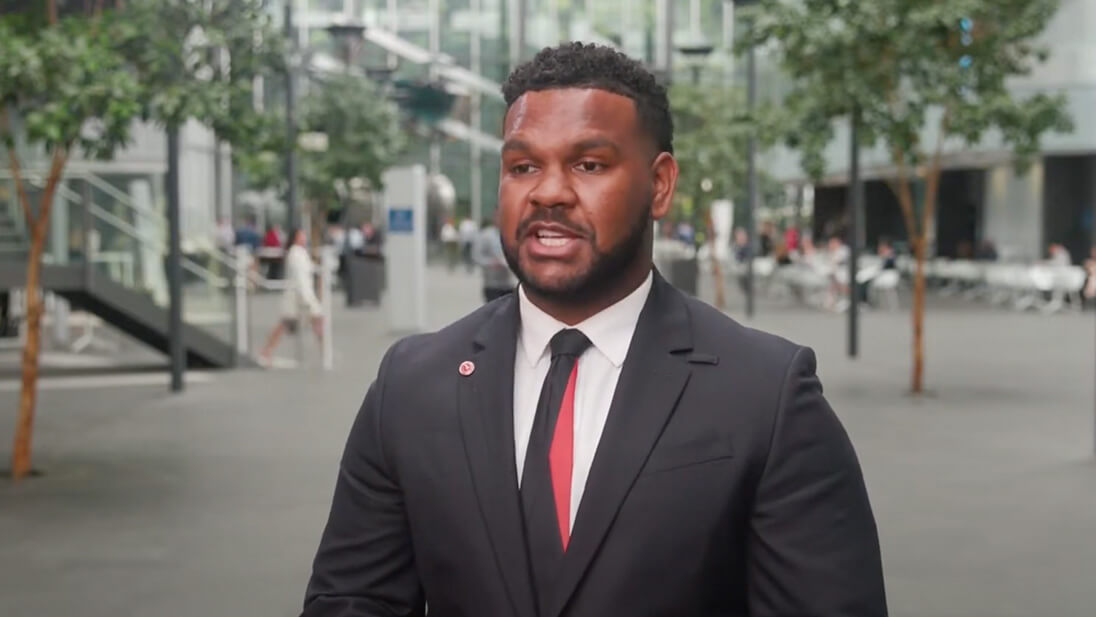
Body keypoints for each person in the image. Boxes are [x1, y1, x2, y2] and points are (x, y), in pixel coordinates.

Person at [301, 42, 886, 617]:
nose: (548, 191)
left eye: (588, 164)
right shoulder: (410, 385)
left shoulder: (767, 395)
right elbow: (354, 600)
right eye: (523, 166)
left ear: (659, 185)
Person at [258, 228, 322, 365]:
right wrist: (308, 298)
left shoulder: (301, 252)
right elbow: (301, 277)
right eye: (301, 235)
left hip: (301, 295)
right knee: (285, 324)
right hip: (297, 296)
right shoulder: (296, 253)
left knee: (316, 320)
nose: (304, 237)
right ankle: (266, 351)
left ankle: (324, 350)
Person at [475, 217, 516, 303]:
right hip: (492, 284)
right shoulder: (486, 235)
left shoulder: (515, 234)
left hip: (510, 284)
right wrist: (490, 263)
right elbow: (477, 256)